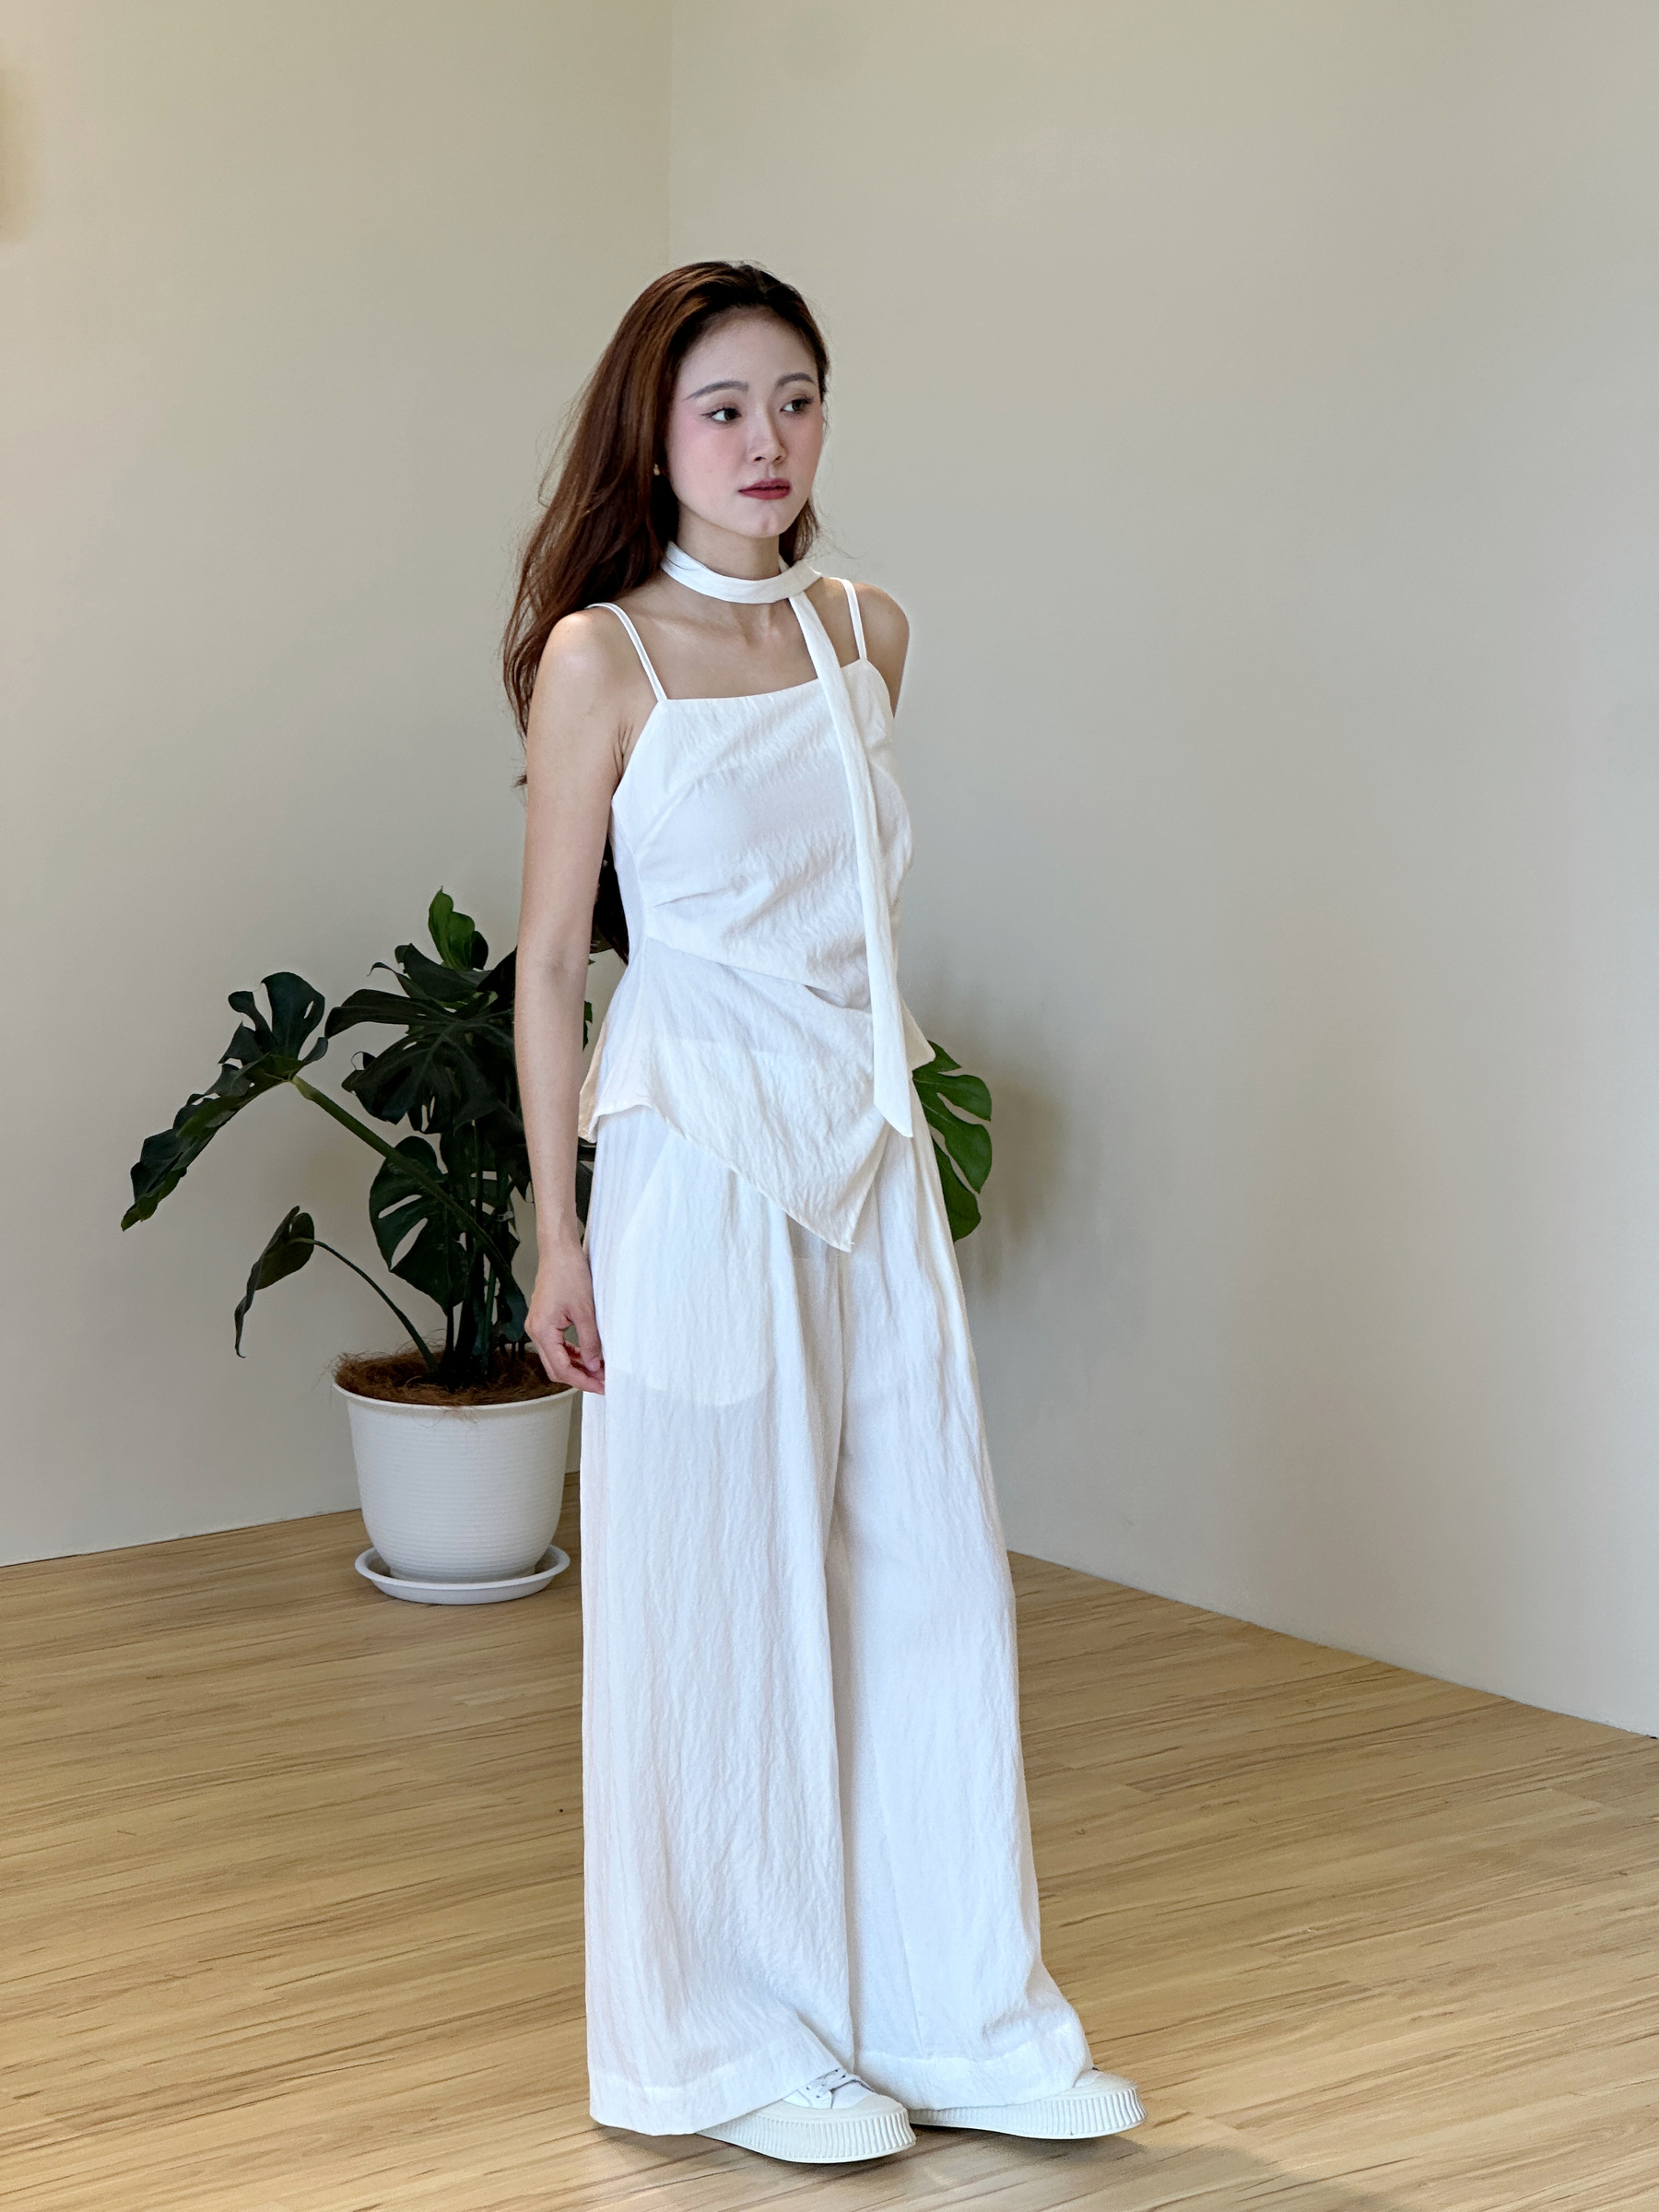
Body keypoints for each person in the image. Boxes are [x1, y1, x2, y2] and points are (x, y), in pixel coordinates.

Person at [506, 262, 1144, 2167]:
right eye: (724, 406)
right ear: (655, 433)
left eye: (797, 398)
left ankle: (959, 2012)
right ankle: (730, 2039)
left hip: (867, 1151)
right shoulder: (601, 658)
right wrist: (559, 1235)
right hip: (697, 1155)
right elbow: (550, 962)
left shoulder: (869, 630)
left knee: (928, 1575)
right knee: (721, 1592)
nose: (767, 439)